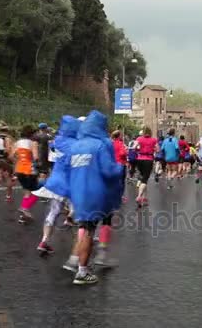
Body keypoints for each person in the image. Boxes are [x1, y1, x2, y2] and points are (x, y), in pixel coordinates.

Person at [69, 111, 123, 285]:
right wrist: (120, 168)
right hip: (94, 192)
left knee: (83, 228)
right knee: (90, 232)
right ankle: (82, 272)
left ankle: (76, 261)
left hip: (77, 192)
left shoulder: (76, 146)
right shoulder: (99, 145)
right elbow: (108, 170)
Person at [33, 116, 81, 255]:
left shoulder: (57, 140)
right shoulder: (79, 144)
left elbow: (52, 151)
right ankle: (77, 252)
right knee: (77, 210)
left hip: (56, 181)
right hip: (71, 183)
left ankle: (44, 241)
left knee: (53, 212)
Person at [14, 125, 39, 224]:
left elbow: (13, 155)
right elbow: (36, 157)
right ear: (31, 134)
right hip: (29, 170)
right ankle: (25, 208)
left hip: (19, 169)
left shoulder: (17, 143)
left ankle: (23, 216)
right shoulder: (33, 143)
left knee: (27, 192)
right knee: (38, 192)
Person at [135, 127, 157, 206]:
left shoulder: (139, 139)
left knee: (142, 178)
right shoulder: (154, 140)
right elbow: (158, 150)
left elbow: (134, 147)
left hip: (140, 159)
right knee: (145, 179)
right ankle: (139, 196)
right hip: (148, 159)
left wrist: (139, 150)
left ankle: (143, 199)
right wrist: (152, 149)